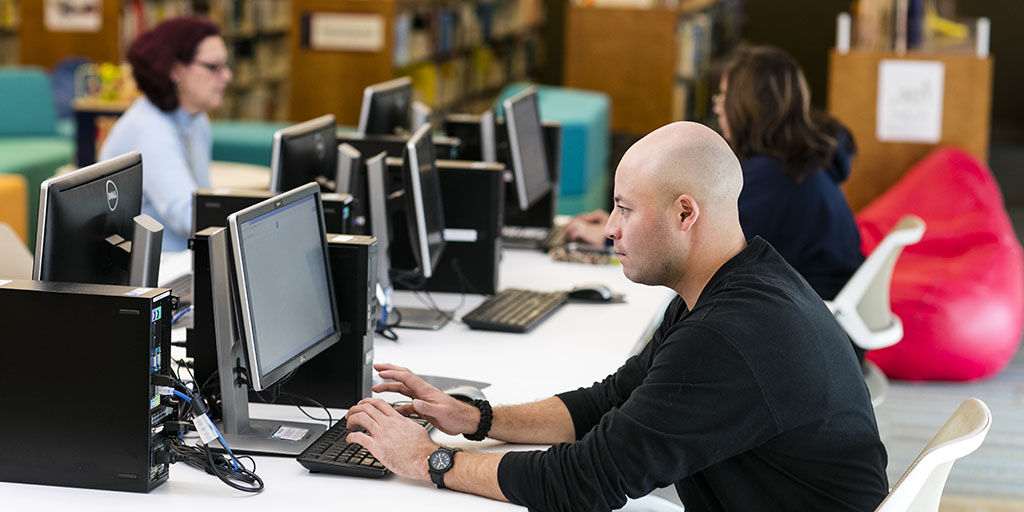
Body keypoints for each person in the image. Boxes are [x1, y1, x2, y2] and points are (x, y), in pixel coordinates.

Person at [345, 122, 889, 511]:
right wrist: (476, 418)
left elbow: (584, 483)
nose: (609, 228)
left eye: (625, 208)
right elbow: (613, 401)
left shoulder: (730, 334)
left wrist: (429, 461)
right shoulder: (733, 283)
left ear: (684, 213)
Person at [566, 45, 863, 303]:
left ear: (749, 105)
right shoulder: (799, 163)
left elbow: (700, 246)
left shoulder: (776, 178)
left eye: (723, 96)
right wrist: (628, 218)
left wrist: (609, 241)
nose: (718, 108)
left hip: (806, 316)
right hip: (819, 305)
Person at [99, 17, 232, 251]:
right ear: (175, 70)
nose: (227, 76)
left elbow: (202, 201)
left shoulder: (196, 118)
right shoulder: (149, 128)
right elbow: (189, 217)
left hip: (183, 256)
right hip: (155, 268)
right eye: (214, 67)